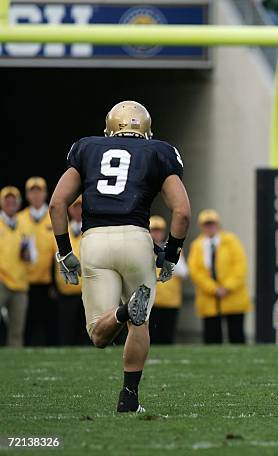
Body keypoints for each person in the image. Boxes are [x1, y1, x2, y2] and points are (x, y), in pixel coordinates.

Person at [49, 101, 190, 413]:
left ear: (110, 128)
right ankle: (129, 398)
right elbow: (181, 211)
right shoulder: (160, 151)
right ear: (147, 130)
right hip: (137, 240)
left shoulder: (86, 148)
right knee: (141, 325)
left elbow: (57, 203)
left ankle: (124, 311)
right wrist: (170, 254)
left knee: (98, 333)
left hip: (95, 240)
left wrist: (64, 253)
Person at [188, 210, 251, 344]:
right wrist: (214, 288)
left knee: (236, 335)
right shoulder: (197, 245)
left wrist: (227, 287)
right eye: (206, 224)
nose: (210, 227)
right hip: (209, 297)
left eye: (212, 224)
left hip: (233, 296)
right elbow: (195, 271)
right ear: (201, 226)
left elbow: (240, 266)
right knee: (212, 336)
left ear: (217, 225)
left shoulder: (231, 241)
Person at [18, 177, 57, 346]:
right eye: (32, 191)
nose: (36, 195)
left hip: (48, 282)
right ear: (27, 195)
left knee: (49, 324)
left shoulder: (53, 218)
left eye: (39, 191)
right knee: (26, 323)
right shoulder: (19, 219)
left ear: (45, 193)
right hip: (24, 282)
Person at [0, 186, 37, 347]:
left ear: (18, 203)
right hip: (1, 281)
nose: (10, 203)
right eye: (7, 200)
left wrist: (28, 255)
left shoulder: (24, 226)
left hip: (20, 283)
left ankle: (15, 361)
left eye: (13, 200)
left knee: (17, 329)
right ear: (2, 203)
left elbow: (34, 256)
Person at [148, 216, 188, 345]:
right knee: (150, 338)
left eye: (159, 230)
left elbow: (184, 272)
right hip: (151, 301)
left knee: (167, 338)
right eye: (153, 230)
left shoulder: (172, 249)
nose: (156, 233)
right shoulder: (144, 249)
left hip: (170, 301)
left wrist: (168, 257)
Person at [54, 196, 88, 346]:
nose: (78, 210)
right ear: (69, 209)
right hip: (66, 288)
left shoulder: (91, 230)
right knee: (66, 328)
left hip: (88, 288)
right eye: (75, 207)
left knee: (86, 328)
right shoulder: (61, 229)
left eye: (81, 207)